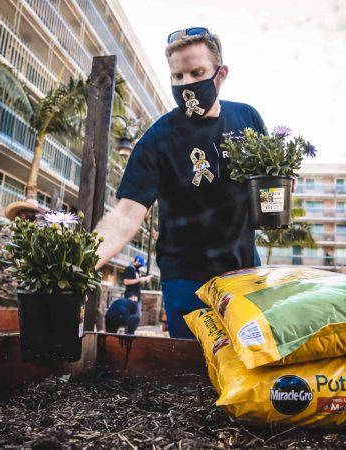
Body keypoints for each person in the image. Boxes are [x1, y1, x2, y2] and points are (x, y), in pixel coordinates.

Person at [95, 27, 265, 338]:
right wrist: (79, 262)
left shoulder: (248, 119)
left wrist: (282, 185)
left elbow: (269, 185)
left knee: (246, 368)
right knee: (190, 373)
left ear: (220, 74)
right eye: (178, 76)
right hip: (187, 280)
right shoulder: (158, 138)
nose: (186, 83)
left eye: (197, 72)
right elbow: (126, 213)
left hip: (244, 275)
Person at [0, 199, 45, 306]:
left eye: (33, 214)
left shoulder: (37, 233)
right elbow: (0, 251)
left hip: (24, 293)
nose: (31, 216)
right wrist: (22, 248)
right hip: (2, 290)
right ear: (20, 214)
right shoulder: (10, 229)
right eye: (28, 213)